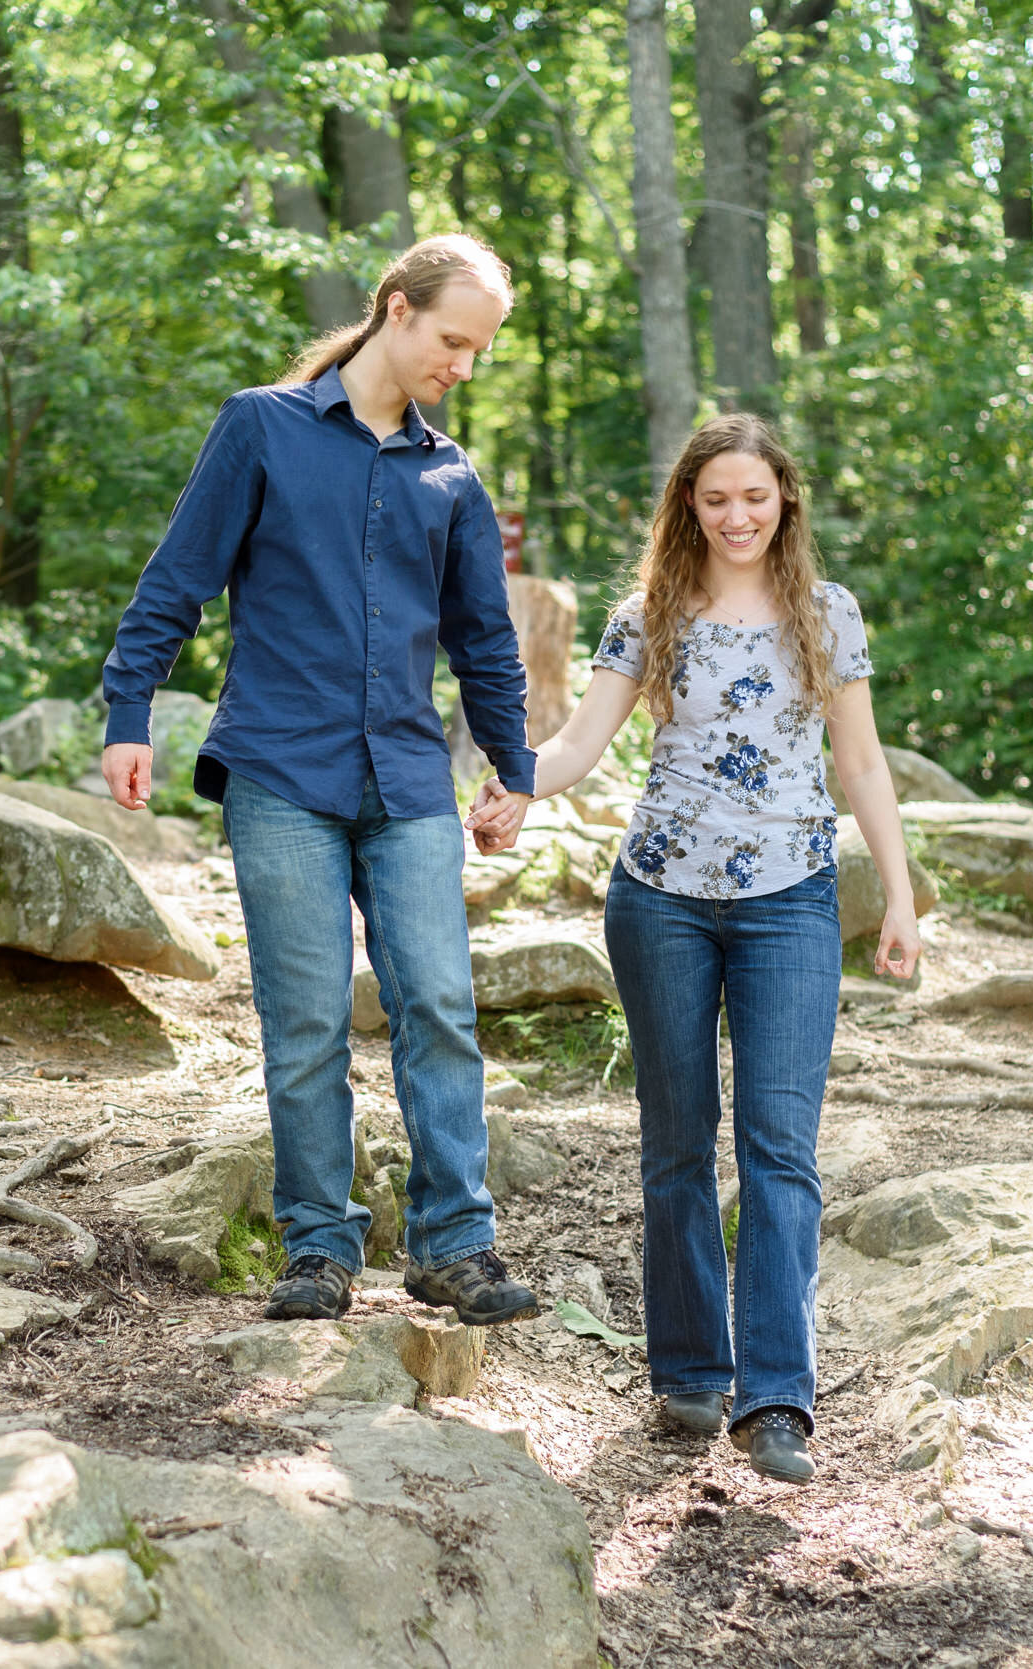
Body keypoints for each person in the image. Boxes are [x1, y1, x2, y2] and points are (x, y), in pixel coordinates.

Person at [467, 414, 923, 1482]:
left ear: (784, 502)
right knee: (676, 1143)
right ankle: (685, 1371)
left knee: (780, 1149)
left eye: (754, 497)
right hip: (659, 899)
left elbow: (860, 764)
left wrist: (898, 896)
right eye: (715, 498)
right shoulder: (650, 611)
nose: (736, 516)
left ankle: (775, 1395)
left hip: (791, 900)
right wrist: (518, 788)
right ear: (687, 505)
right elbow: (583, 737)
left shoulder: (827, 613)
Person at [100, 234, 543, 1329]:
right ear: (395, 309)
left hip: (405, 782)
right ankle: (317, 1246)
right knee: (304, 1021)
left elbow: (486, 641)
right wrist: (129, 708)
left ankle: (455, 1246)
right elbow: (179, 579)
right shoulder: (263, 428)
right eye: (453, 340)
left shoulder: (450, 474)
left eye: (479, 351)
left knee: (437, 1005)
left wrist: (511, 767)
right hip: (281, 772)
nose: (463, 366)